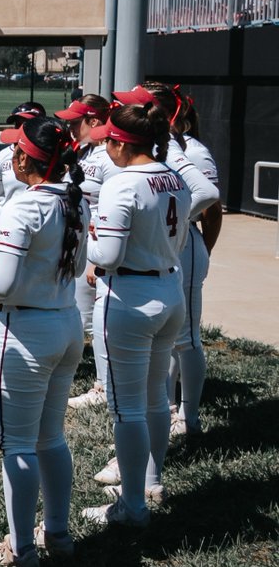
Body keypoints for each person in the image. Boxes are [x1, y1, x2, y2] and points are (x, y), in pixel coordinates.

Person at [0, 118, 87, 567]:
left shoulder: (23, 206)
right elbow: (77, 270)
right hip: (64, 325)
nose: (11, 157)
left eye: (15, 150)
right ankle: (57, 533)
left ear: (25, 158)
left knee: (17, 446)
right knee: (50, 438)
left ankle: (21, 551)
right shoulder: (74, 200)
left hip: (23, 334)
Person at [80, 103, 193, 528]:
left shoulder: (122, 182)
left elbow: (106, 255)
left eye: (109, 139)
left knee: (127, 408)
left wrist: (84, 243)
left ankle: (132, 506)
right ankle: (150, 481)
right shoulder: (174, 175)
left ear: (123, 143)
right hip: (168, 288)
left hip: (129, 296)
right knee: (154, 399)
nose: (105, 145)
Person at [129, 82, 223, 439]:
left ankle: (190, 417)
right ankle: (165, 409)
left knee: (186, 339)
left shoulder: (192, 151)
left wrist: (185, 231)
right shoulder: (149, 147)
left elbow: (212, 209)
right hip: (164, 248)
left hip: (184, 248)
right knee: (164, 339)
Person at [54, 94, 116, 410]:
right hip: (80, 241)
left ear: (94, 122)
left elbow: (113, 207)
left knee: (96, 321)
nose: (69, 126)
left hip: (97, 246)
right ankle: (92, 376)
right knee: (81, 316)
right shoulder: (86, 151)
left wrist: (96, 258)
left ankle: (104, 386)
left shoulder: (109, 157)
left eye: (75, 121)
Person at [0, 102, 46, 213]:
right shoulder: (3, 155)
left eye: (26, 124)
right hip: (9, 220)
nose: (20, 128)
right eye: (17, 124)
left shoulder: (50, 156)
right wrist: (13, 207)